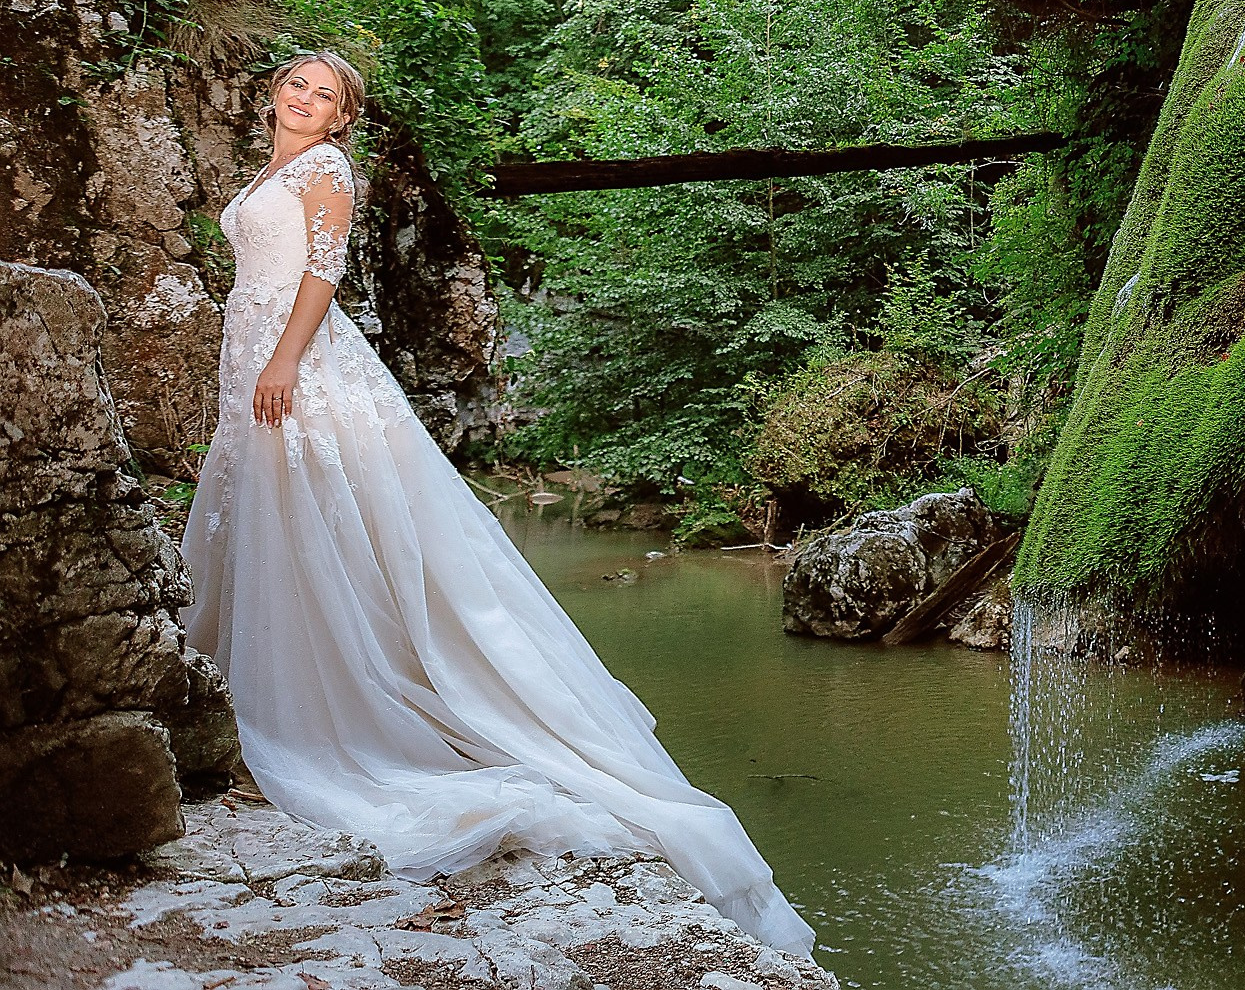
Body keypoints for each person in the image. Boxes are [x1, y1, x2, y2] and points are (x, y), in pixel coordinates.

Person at [181, 50, 816, 957]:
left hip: (303, 361)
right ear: (274, 91)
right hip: (253, 351)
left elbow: (320, 277)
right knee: (274, 523)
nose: (307, 100)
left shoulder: (326, 170)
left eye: (327, 95)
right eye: (298, 85)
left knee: (316, 530)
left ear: (342, 119)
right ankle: (246, 692)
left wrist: (282, 358)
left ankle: (328, 709)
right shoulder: (271, 168)